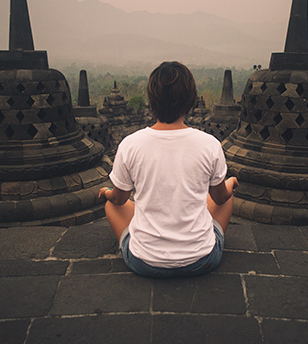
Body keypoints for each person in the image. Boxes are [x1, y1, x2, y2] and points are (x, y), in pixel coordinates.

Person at [98, 61, 239, 278]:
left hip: (144, 262)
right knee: (227, 196)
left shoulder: (130, 144)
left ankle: (142, 244)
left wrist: (107, 193)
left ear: (151, 101)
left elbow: (118, 199)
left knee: (111, 205)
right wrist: (230, 183)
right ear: (191, 101)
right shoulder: (209, 144)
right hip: (202, 260)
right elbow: (220, 199)